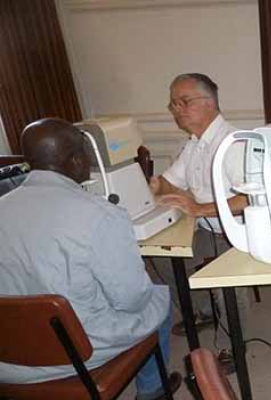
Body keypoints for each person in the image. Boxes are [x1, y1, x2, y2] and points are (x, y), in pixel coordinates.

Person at [0, 118, 180, 400]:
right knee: (159, 297)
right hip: (74, 352)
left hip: (8, 357)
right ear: (75, 161)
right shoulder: (100, 214)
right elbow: (133, 299)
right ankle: (152, 390)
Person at [148, 73, 248, 336]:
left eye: (185, 101)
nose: (177, 110)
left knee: (222, 281)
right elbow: (170, 181)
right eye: (174, 104)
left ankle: (233, 344)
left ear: (210, 103)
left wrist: (199, 209)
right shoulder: (194, 144)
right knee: (164, 258)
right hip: (209, 229)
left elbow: (249, 199)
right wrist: (155, 186)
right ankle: (203, 311)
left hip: (240, 233)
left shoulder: (233, 143)